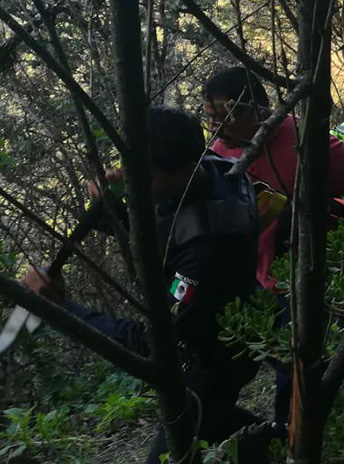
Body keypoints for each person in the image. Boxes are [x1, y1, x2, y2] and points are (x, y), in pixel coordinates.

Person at [22, 106, 265, 464]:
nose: (131, 184)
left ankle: (269, 441)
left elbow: (154, 340)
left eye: (143, 177)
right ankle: (268, 439)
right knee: (217, 424)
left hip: (217, 360)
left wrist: (63, 309)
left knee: (182, 439)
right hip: (228, 331)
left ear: (183, 171)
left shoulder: (204, 256)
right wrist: (111, 209)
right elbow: (164, 231)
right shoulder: (212, 167)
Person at [202, 67, 344, 291]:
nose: (215, 129)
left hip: (325, 281)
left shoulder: (305, 139)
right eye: (211, 119)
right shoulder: (218, 157)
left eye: (224, 118)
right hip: (262, 288)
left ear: (256, 110)